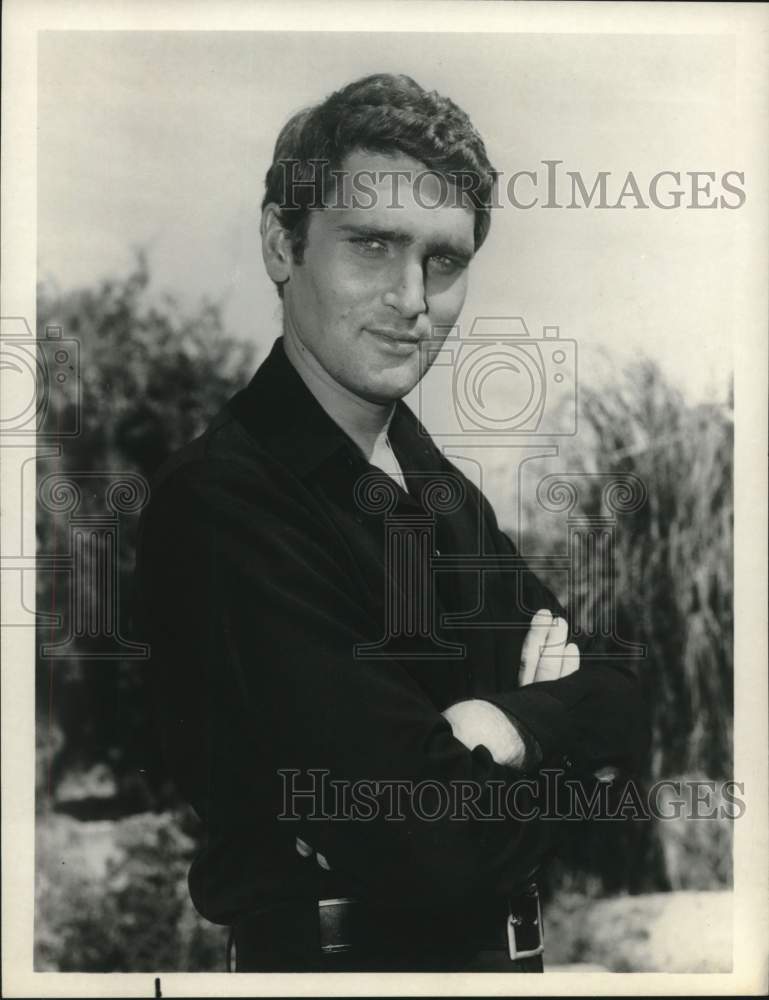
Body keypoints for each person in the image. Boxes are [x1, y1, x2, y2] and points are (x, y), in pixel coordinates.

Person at [136, 73, 641, 972]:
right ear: (281, 244)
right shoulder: (224, 500)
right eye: (372, 245)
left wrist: (499, 726)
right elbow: (432, 845)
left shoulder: (436, 487)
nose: (413, 299)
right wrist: (542, 733)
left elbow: (622, 700)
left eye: (443, 262)